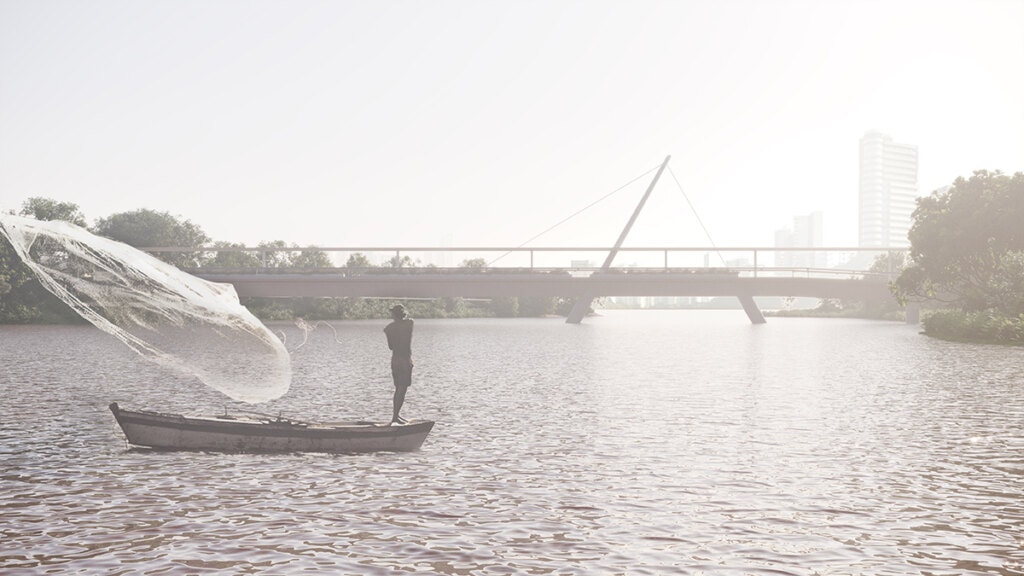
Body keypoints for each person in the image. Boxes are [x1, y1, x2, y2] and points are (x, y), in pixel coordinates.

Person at [383, 303, 414, 424]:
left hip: (395, 360)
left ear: (394, 315)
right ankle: (395, 416)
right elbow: (409, 320)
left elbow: (391, 347)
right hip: (405, 360)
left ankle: (396, 416)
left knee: (398, 388)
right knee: (402, 388)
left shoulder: (389, 328)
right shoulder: (409, 324)